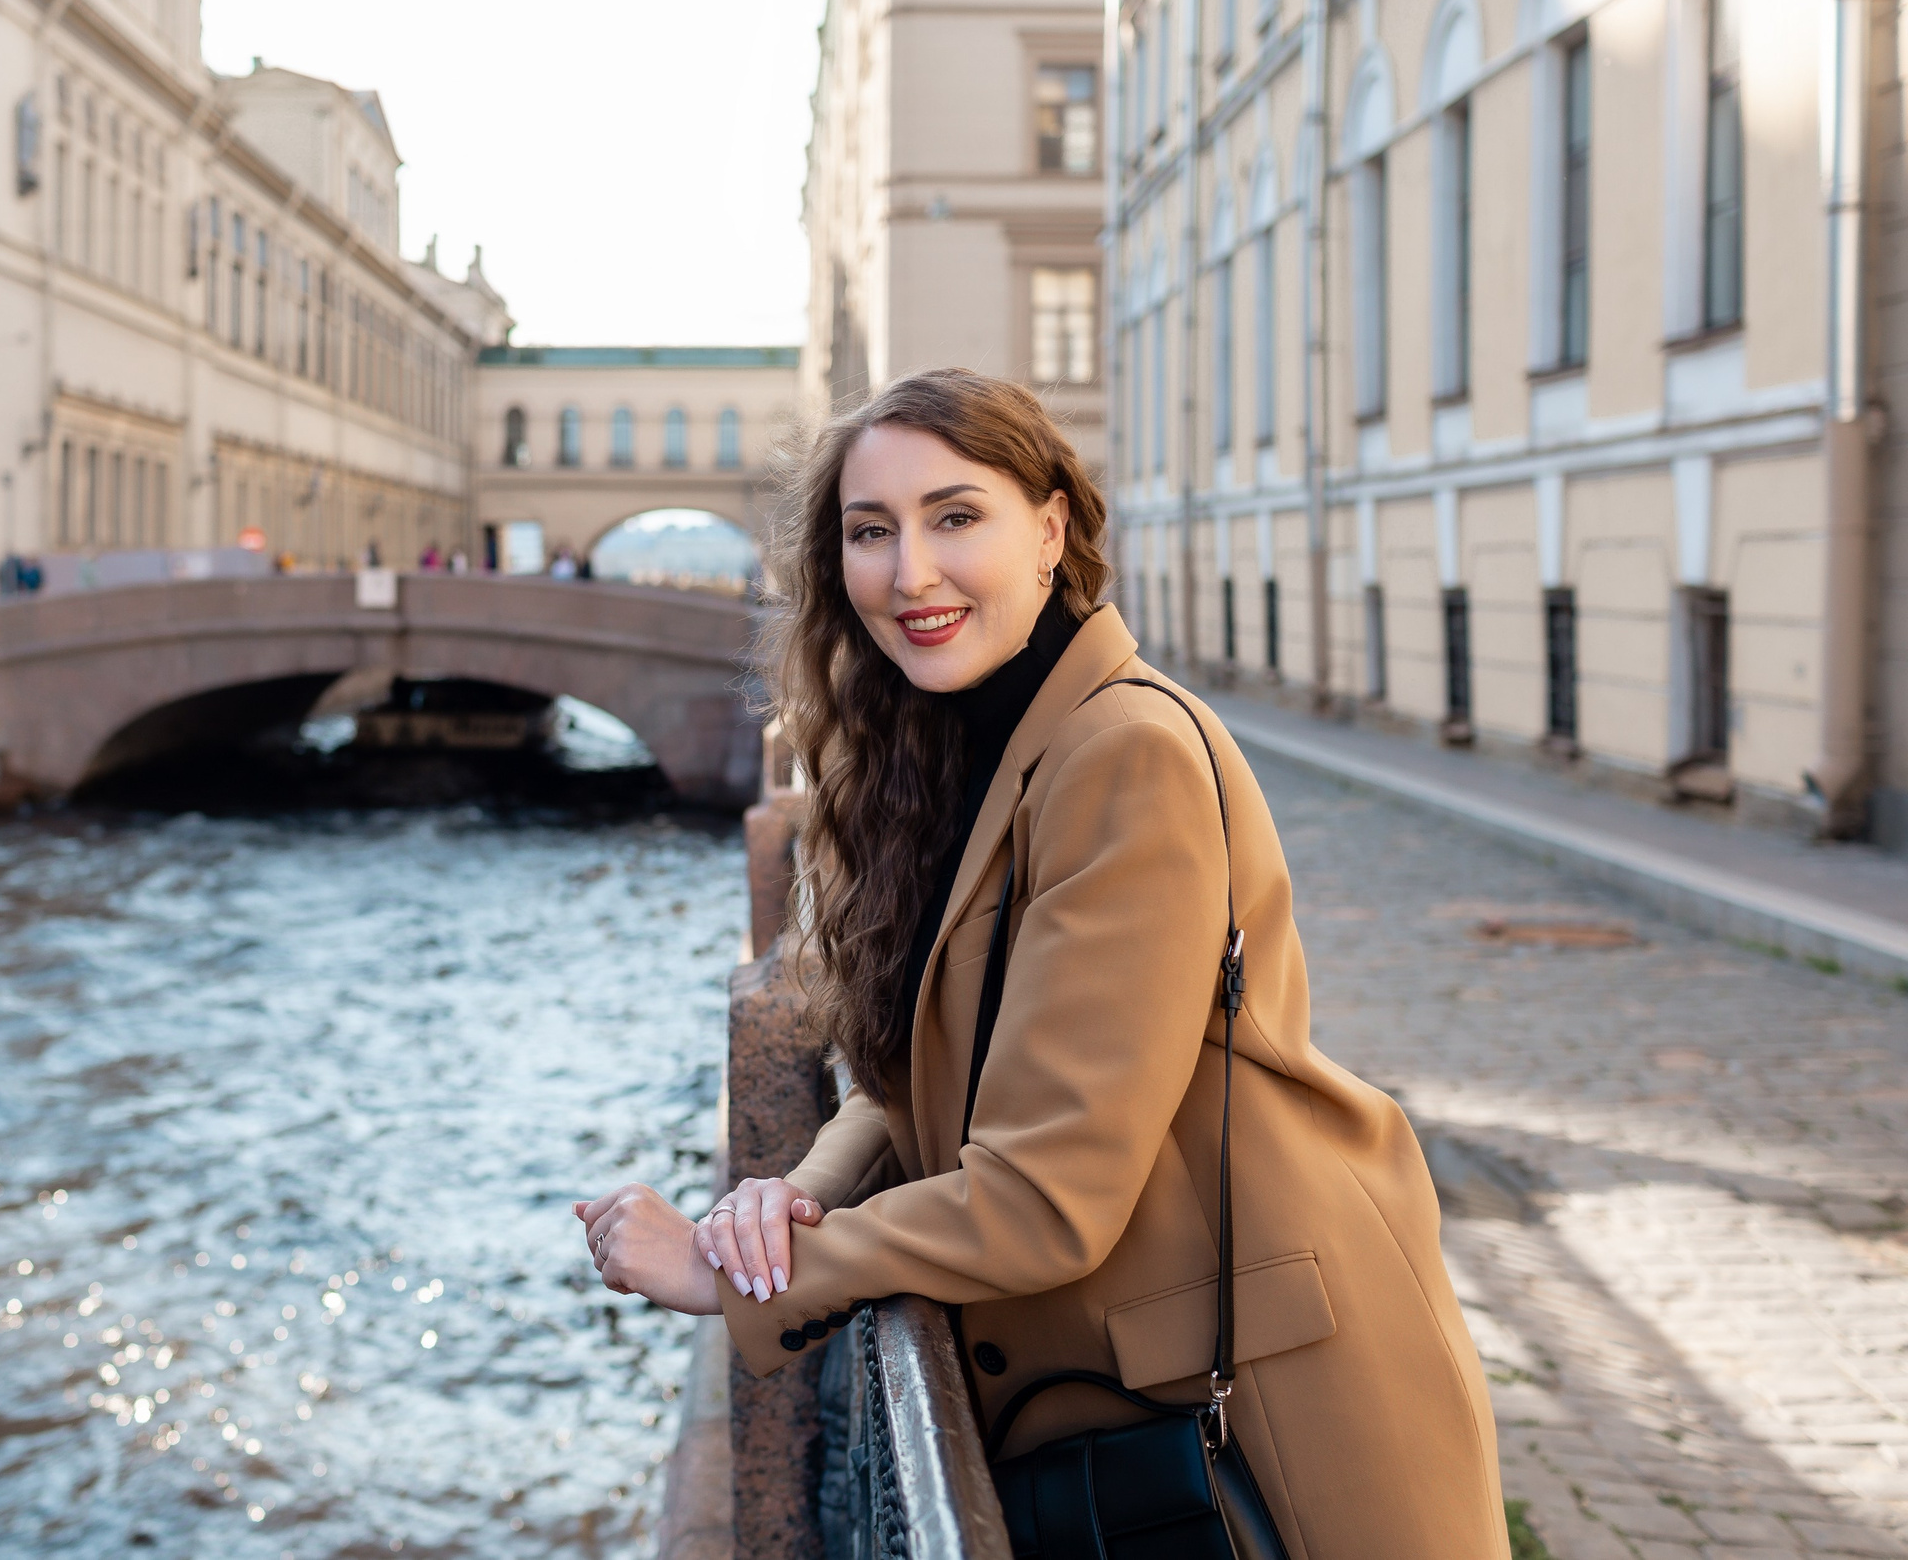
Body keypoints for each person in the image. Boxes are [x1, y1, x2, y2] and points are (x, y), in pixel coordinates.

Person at [573, 370, 1504, 1557]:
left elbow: (1045, 1197)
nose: (911, 571)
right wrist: (792, 1194)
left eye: (956, 516)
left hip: (1272, 1432)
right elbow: (919, 1076)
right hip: (1128, 1413)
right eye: (871, 531)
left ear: (1051, 530)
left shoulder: (1124, 754)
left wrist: (741, 1274)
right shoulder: (954, 743)